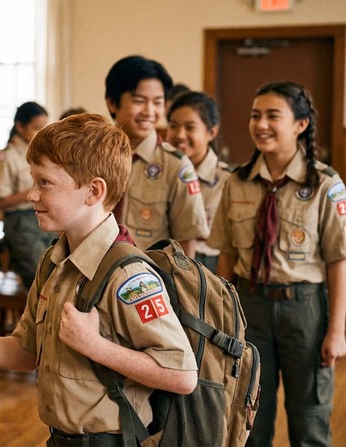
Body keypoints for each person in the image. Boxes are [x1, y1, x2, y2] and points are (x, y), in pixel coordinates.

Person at [0, 114, 197, 445]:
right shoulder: (54, 261)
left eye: (44, 183)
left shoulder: (127, 275)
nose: (31, 195)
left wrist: (95, 347)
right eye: (33, 181)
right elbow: (26, 352)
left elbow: (182, 375)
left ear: (93, 191)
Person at [209, 81, 346, 447]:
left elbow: (337, 260)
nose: (261, 124)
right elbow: (226, 256)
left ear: (300, 124)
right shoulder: (236, 182)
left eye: (273, 115)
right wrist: (223, 321)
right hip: (250, 307)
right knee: (250, 414)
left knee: (310, 418)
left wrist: (337, 330)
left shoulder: (324, 184)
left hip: (305, 309)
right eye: (256, 116)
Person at [104, 55, 208, 256]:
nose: (149, 111)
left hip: (148, 281)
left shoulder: (176, 165)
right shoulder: (92, 157)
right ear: (112, 103)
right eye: (139, 101)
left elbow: (186, 244)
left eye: (157, 102)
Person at [0, 101, 54, 288]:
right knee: (40, 279)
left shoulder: (38, 154)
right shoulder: (7, 157)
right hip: (19, 224)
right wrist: (32, 192)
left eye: (44, 128)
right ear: (19, 126)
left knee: (56, 270)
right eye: (36, 128)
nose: (41, 133)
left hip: (42, 220)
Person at [166, 91, 231, 272]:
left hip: (208, 271)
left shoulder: (228, 180)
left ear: (211, 132)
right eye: (173, 126)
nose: (180, 135)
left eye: (190, 127)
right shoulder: (157, 175)